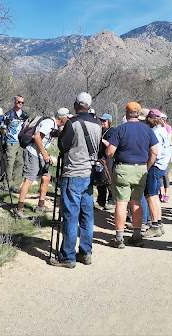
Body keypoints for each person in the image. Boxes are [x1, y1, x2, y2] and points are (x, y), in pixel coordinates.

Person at [52, 92, 102, 268]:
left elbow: (63, 146)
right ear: (88, 105)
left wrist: (60, 132)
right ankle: (86, 252)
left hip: (73, 172)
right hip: (89, 174)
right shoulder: (97, 124)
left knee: (70, 216)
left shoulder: (72, 123)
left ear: (76, 104)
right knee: (87, 216)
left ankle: (67, 256)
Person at [106, 102, 158, 249]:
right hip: (140, 168)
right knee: (136, 202)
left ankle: (119, 238)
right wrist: (146, 167)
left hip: (123, 168)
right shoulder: (147, 130)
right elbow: (154, 152)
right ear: (139, 113)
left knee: (121, 203)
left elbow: (110, 152)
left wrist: (116, 158)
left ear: (126, 113)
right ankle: (136, 236)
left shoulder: (120, 129)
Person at [15, 108, 70, 218]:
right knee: (29, 179)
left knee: (46, 178)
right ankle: (19, 208)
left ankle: (41, 205)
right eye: (67, 117)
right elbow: (37, 137)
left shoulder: (53, 124)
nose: (68, 119)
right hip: (33, 153)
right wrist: (45, 154)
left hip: (40, 154)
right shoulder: (49, 123)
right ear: (63, 118)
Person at [143, 109, 172, 238]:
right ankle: (158, 224)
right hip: (162, 166)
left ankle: (154, 225)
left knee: (151, 196)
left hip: (155, 166)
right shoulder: (163, 131)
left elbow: (155, 153)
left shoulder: (155, 132)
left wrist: (147, 167)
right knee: (155, 196)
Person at [1, 95, 29, 191]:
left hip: (21, 143)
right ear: (14, 102)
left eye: (22, 102)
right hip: (11, 142)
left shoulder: (25, 115)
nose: (20, 104)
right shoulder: (8, 114)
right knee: (10, 163)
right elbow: (3, 128)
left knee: (20, 163)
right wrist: (8, 137)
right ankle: (7, 184)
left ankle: (14, 185)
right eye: (18, 102)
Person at [96, 113, 116, 210]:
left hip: (108, 158)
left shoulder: (112, 131)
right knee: (100, 179)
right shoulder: (100, 131)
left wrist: (102, 140)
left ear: (109, 122)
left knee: (108, 179)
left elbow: (112, 146)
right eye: (101, 121)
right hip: (99, 158)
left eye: (104, 121)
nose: (102, 123)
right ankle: (101, 201)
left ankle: (111, 201)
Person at [159, 112, 172, 203]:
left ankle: (166, 193)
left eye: (164, 118)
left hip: (166, 154)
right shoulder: (157, 128)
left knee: (165, 174)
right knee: (159, 175)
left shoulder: (168, 127)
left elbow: (169, 138)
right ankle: (161, 193)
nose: (163, 120)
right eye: (161, 118)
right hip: (159, 154)